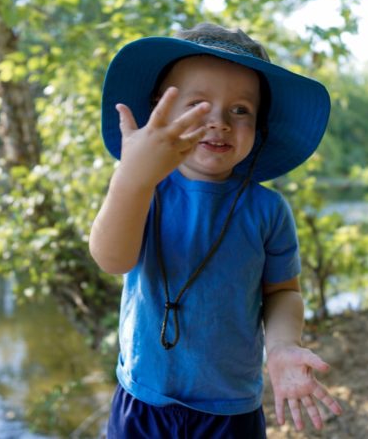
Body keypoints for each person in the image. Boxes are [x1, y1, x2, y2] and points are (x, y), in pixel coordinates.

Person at [89, 23, 342, 438]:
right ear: (162, 112)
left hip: (230, 410)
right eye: (198, 105)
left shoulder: (267, 210)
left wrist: (281, 347)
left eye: (240, 110)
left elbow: (282, 291)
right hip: (144, 401)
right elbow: (112, 259)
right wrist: (131, 179)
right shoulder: (144, 190)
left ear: (259, 126)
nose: (220, 122)